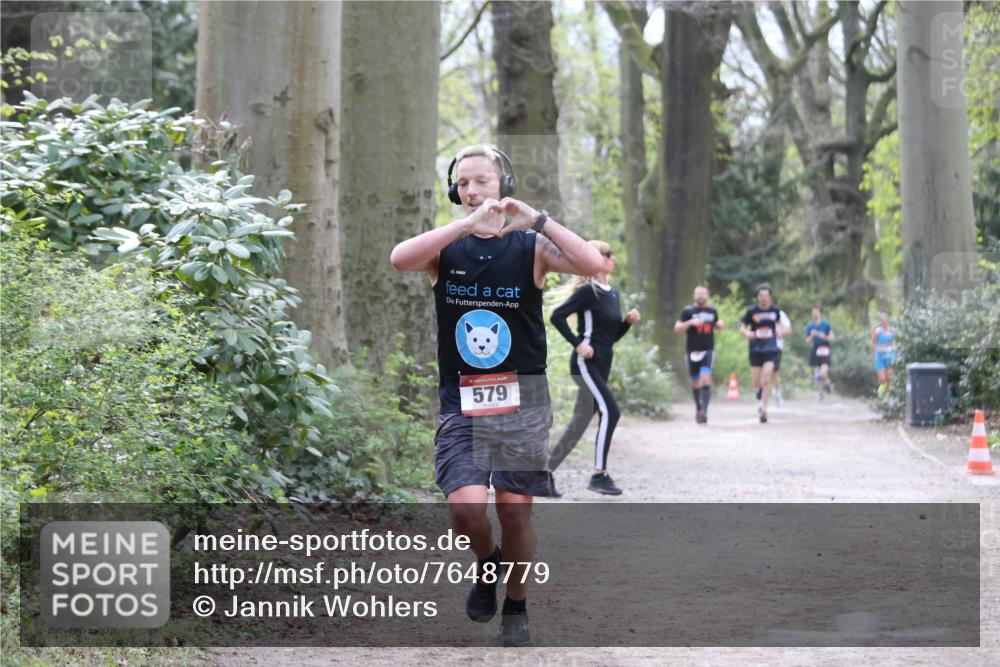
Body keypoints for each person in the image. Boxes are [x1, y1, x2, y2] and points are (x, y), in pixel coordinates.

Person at [390, 144, 602, 647]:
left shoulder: (530, 248)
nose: (472, 191)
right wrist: (464, 226)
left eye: (482, 181)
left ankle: (517, 601)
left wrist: (538, 219)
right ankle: (487, 566)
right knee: (466, 511)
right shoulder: (446, 247)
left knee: (513, 511)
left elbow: (592, 262)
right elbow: (400, 258)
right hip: (462, 398)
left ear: (502, 184)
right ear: (453, 190)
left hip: (521, 398)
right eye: (463, 183)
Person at [548, 241, 640, 496]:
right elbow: (556, 316)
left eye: (612, 254)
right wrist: (578, 345)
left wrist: (627, 323)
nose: (613, 258)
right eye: (607, 254)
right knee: (611, 411)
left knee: (580, 422)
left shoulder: (612, 292)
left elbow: (610, 338)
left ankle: (544, 474)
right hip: (585, 364)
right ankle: (599, 475)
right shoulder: (589, 291)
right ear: (594, 258)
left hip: (602, 363)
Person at [673, 285, 723, 424]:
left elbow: (717, 323)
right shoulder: (688, 311)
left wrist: (720, 324)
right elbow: (677, 329)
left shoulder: (712, 311)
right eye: (698, 294)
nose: (700, 296)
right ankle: (698, 408)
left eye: (703, 294)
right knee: (695, 383)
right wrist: (690, 322)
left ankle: (704, 412)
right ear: (694, 296)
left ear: (707, 296)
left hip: (708, 351)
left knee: (705, 379)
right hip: (692, 352)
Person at [739, 284, 781, 424]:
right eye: (761, 296)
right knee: (757, 382)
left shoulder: (775, 310)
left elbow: (780, 324)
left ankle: (764, 410)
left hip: (770, 348)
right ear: (757, 297)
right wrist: (748, 333)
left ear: (770, 297)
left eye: (766, 296)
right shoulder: (752, 311)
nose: (764, 298)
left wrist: (781, 331)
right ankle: (759, 397)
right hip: (755, 348)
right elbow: (742, 327)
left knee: (766, 378)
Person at [805, 306, 835, 400]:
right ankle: (821, 393)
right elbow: (807, 341)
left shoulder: (826, 324)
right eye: (813, 312)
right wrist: (811, 336)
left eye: (816, 312)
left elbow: (832, 337)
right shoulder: (810, 326)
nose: (814, 313)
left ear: (820, 313)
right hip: (815, 349)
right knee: (817, 375)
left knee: (822, 373)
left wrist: (823, 336)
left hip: (825, 348)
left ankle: (828, 382)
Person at [871, 311, 897, 394]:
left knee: (889, 378)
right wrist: (878, 348)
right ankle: (881, 394)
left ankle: (888, 397)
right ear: (880, 320)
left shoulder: (892, 331)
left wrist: (893, 346)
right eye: (882, 319)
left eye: (885, 318)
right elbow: (872, 343)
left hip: (891, 356)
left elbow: (896, 342)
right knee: (882, 379)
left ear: (888, 319)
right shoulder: (878, 331)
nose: (884, 320)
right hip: (880, 357)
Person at [772, 308, 791, 408]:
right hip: (761, 346)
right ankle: (761, 396)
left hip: (776, 346)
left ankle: (777, 392)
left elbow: (788, 329)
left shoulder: (779, 314)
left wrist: (780, 332)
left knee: (774, 371)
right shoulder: (757, 312)